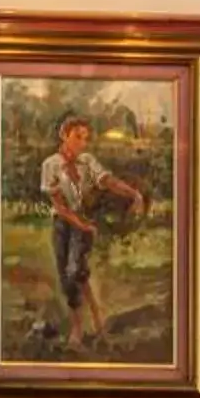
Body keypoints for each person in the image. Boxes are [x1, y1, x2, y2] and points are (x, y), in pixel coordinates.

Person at [38, 115, 146, 352]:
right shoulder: (51, 165)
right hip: (63, 223)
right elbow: (59, 206)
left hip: (84, 220)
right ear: (64, 135)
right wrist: (78, 223)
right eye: (78, 137)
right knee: (69, 279)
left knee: (74, 269)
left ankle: (88, 325)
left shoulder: (87, 161)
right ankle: (90, 323)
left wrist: (133, 194)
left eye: (85, 139)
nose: (82, 143)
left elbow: (107, 181)